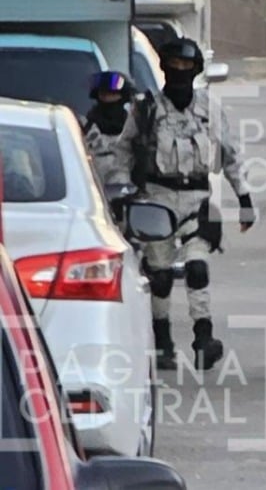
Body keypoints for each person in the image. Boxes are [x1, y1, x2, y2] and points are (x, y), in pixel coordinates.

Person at [111, 37, 256, 372]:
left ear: (196, 70)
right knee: (160, 275)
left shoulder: (210, 109)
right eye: (174, 66)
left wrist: (245, 198)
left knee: (197, 267)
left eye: (186, 67)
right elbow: (123, 151)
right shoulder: (146, 110)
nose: (179, 72)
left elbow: (230, 155)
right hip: (156, 198)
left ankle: (203, 337)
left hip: (197, 200)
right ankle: (162, 343)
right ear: (164, 68)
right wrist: (120, 195)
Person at [82, 71, 135, 187]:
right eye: (103, 93)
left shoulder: (134, 127)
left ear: (123, 96)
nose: (106, 97)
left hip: (125, 188)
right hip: (92, 185)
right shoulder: (85, 127)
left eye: (112, 94)